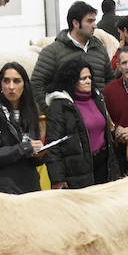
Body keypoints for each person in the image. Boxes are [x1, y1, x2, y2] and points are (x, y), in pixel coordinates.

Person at [43, 55, 117, 189]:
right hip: (76, 171)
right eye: (83, 78)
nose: (88, 81)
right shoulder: (59, 106)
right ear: (72, 80)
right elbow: (53, 146)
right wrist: (57, 178)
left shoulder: (97, 99)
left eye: (89, 77)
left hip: (103, 165)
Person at [0, 62, 46, 195]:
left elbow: (34, 156)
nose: (11, 87)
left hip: (30, 186)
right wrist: (24, 148)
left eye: (17, 81)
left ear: (25, 84)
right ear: (0, 84)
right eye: (6, 81)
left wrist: (40, 154)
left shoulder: (31, 109)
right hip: (2, 188)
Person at [31, 1, 111, 104]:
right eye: (89, 21)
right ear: (76, 23)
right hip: (69, 117)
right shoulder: (52, 52)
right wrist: (50, 111)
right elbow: (37, 84)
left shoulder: (99, 48)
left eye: (94, 21)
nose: (94, 26)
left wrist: (106, 107)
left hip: (98, 115)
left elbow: (110, 79)